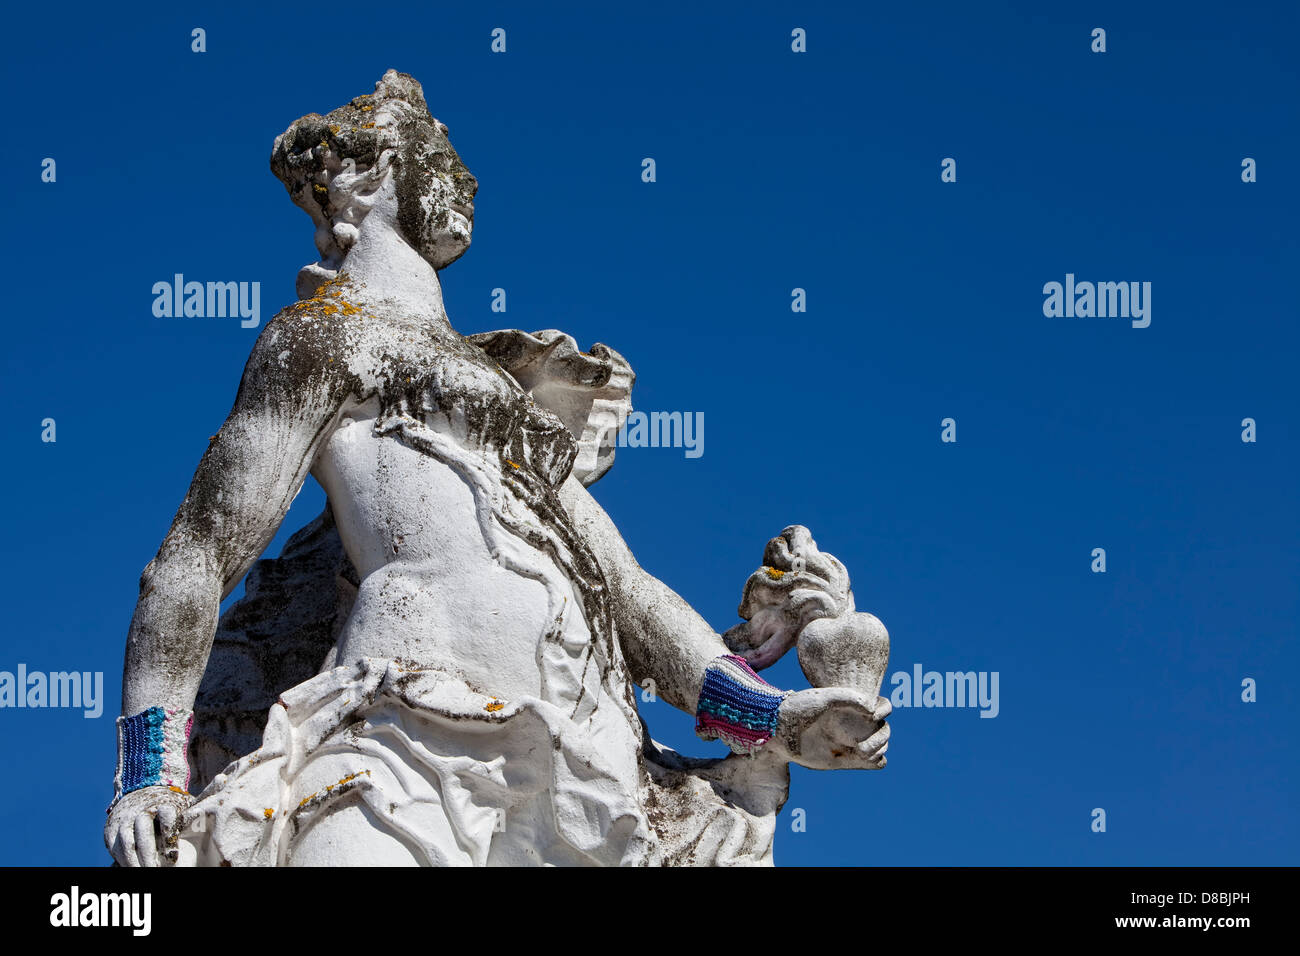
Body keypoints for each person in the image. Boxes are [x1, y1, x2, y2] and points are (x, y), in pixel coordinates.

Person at [105, 70, 890, 867]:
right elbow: (197, 558)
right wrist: (148, 773)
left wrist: (775, 720)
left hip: (578, 767)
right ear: (369, 181)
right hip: (397, 741)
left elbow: (630, 593)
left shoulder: (510, 404)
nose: (461, 181)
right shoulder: (324, 339)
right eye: (435, 156)